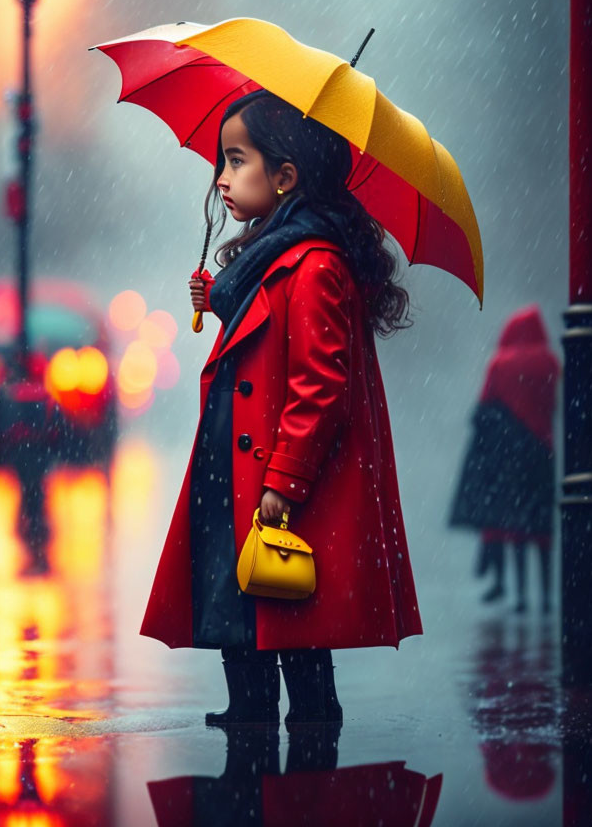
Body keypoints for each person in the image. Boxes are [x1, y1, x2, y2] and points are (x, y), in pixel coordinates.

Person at [141, 90, 422, 727]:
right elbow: (261, 324)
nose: (221, 178)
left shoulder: (315, 263)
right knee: (237, 598)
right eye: (222, 161)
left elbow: (320, 387)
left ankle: (313, 724)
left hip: (272, 473)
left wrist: (285, 480)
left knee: (287, 603)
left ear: (286, 176)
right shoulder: (274, 253)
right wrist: (216, 297)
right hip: (238, 464)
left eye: (236, 161)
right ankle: (249, 710)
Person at [449, 306, 560, 612]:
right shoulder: (550, 362)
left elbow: (485, 402)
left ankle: (521, 596)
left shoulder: (500, 363)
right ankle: (547, 597)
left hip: (510, 455)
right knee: (541, 525)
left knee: (517, 525)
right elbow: (552, 403)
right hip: (543, 451)